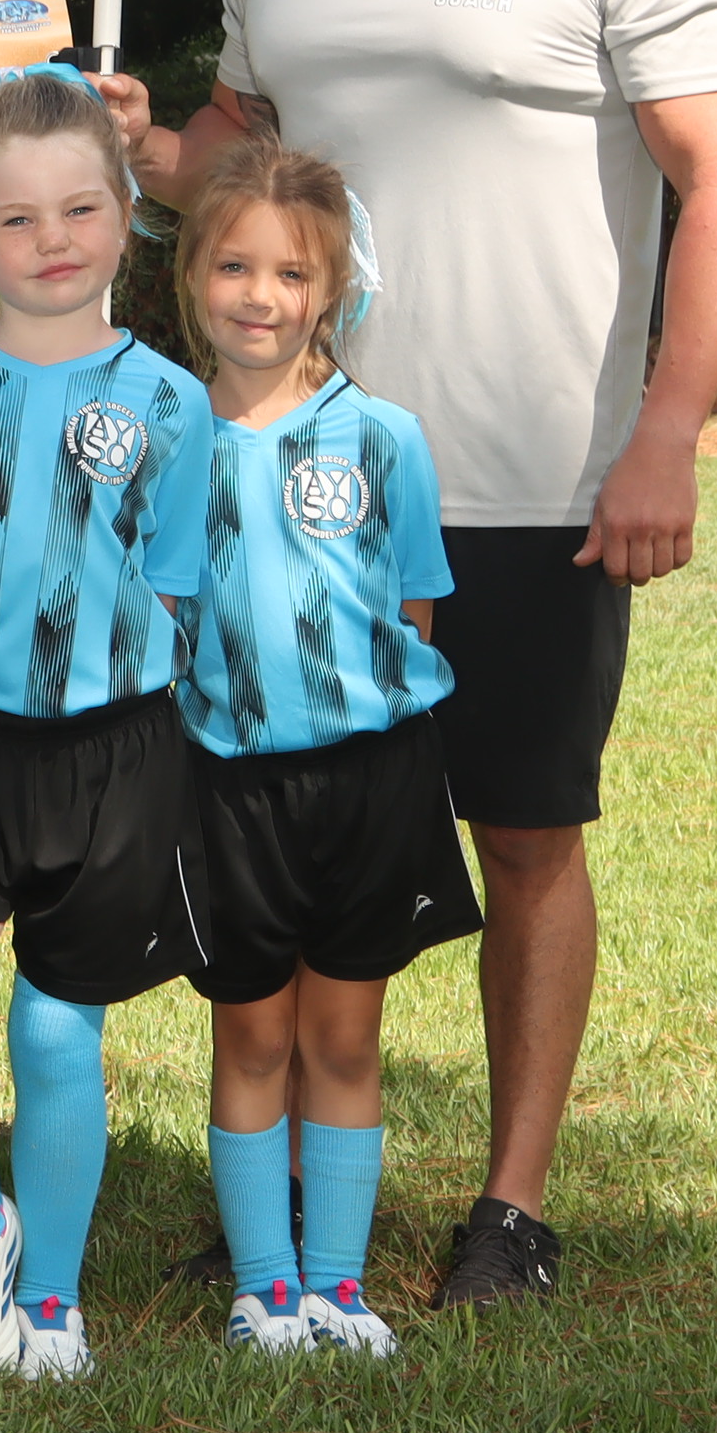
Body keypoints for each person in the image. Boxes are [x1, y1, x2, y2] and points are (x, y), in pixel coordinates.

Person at [104, 0, 717, 1310]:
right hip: (294, 484)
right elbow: (247, 150)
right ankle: (292, 1191)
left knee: (525, 836)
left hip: (534, 484)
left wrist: (667, 437)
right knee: (300, 828)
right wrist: (145, 148)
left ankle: (511, 1210)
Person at [0, 67, 216, 1385]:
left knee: (58, 1033)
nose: (52, 240)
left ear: (127, 214)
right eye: (14, 218)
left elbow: (178, 584)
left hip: (113, 761)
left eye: (80, 209)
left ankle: (58, 1298)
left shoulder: (171, 402)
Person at [161, 146, 479, 1361]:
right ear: (193, 274)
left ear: (334, 288)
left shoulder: (383, 438)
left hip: (368, 783)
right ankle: (262, 1287)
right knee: (251, 1037)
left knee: (343, 1038)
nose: (261, 294)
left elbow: (415, 613)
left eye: (292, 272)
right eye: (234, 265)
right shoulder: (168, 437)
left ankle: (337, 1286)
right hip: (225, 785)